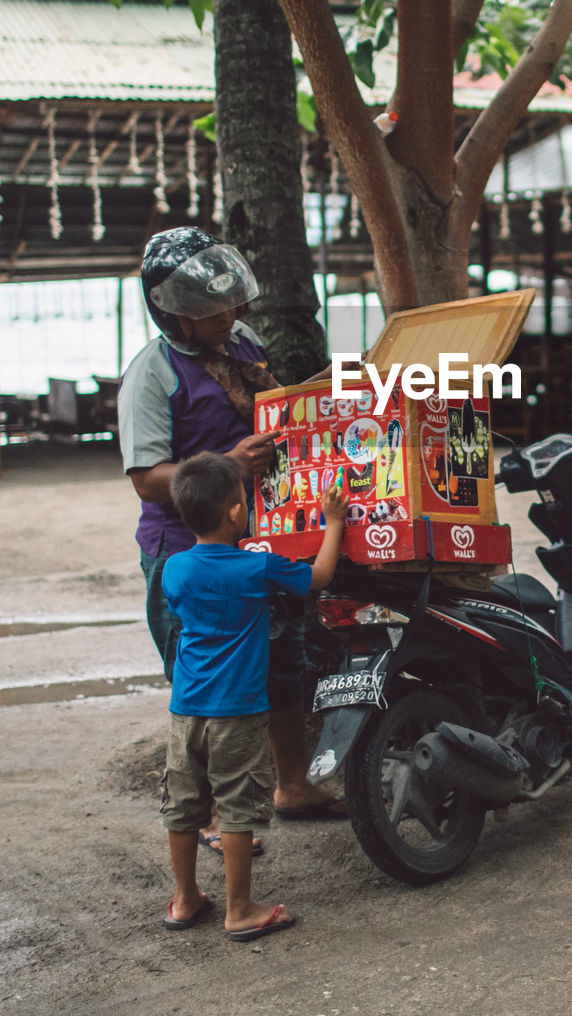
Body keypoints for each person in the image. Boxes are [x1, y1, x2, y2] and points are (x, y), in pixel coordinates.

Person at [118, 226, 345, 832]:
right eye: (214, 311)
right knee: (208, 681)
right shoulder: (151, 374)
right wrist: (228, 467)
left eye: (233, 303)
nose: (234, 315)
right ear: (177, 318)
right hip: (186, 550)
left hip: (255, 536)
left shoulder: (242, 340)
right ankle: (216, 815)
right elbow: (145, 478)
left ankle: (292, 787)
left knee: (282, 661)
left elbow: (274, 401)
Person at [160, 451, 348, 939]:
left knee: (184, 806)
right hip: (238, 713)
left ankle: (184, 901)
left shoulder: (175, 570)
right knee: (237, 809)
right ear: (235, 514)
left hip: (184, 713)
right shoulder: (256, 569)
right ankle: (239, 909)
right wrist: (332, 522)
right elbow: (319, 578)